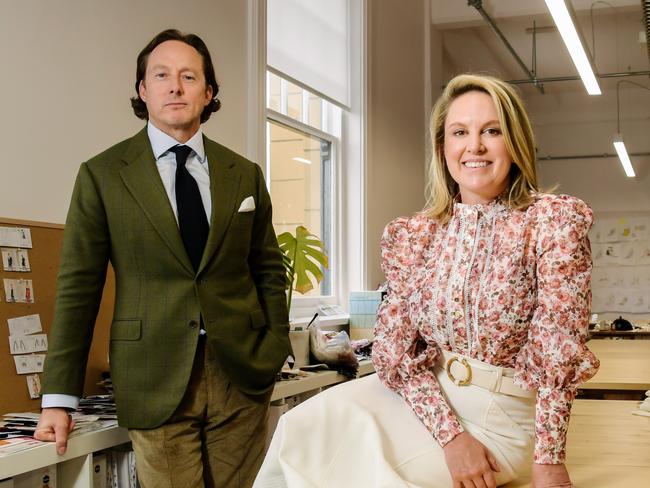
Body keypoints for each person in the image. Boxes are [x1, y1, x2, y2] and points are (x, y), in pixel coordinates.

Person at [255, 73, 599, 488]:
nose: (474, 146)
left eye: (492, 130)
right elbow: (394, 351)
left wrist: (549, 460)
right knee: (299, 428)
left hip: (501, 413)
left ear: (515, 142)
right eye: (460, 132)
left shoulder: (551, 220)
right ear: (443, 147)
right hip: (426, 401)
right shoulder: (416, 235)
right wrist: (452, 437)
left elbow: (559, 348)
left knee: (356, 477)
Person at [35, 29, 291, 488]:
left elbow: (268, 268)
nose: (175, 86)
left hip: (242, 374)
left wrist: (273, 346)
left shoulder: (244, 174)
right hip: (155, 378)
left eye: (189, 76)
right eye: (162, 75)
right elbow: (79, 289)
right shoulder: (103, 176)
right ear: (143, 90)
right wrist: (58, 398)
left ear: (208, 93)